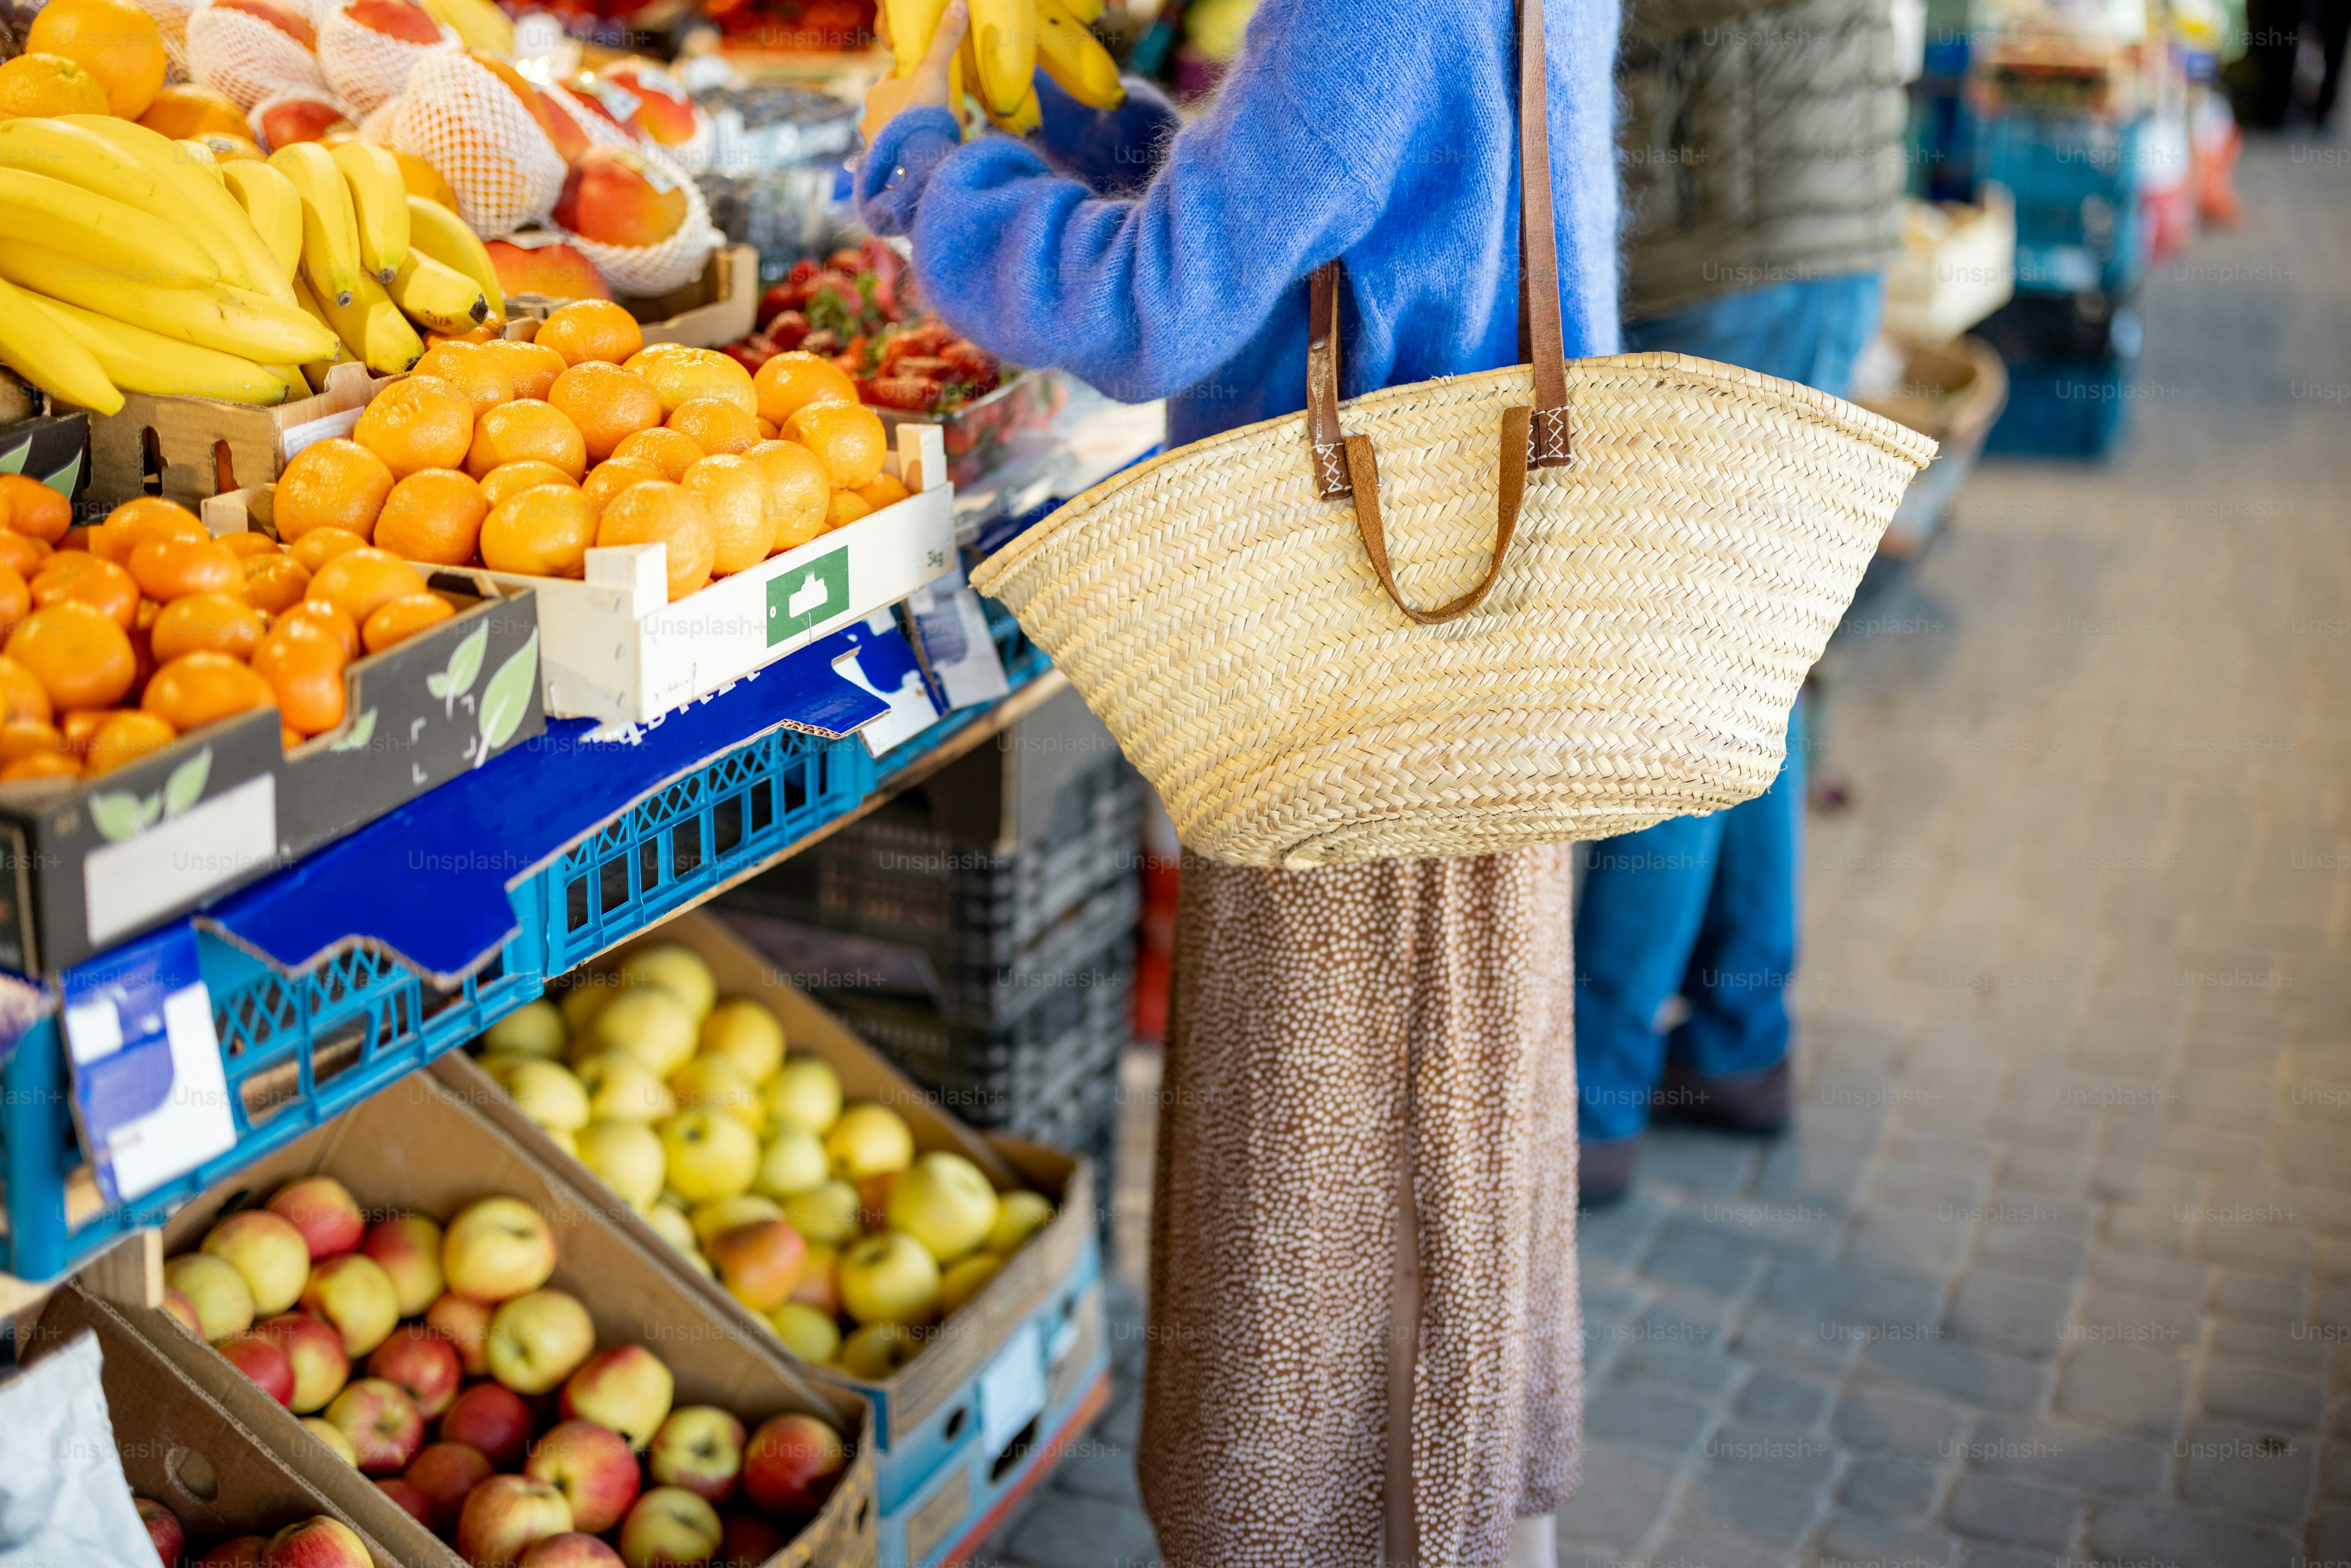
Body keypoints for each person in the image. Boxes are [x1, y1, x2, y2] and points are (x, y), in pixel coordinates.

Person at [858, 1, 1618, 1562]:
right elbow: (1350, 211)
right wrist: (1094, 132)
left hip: (1353, 684)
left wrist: (932, 174)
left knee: (1332, 1218)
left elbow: (1159, 306)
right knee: (1447, 1194)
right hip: (1471, 650)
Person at [1573, 0, 1905, 1205]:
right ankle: (1734, 1038)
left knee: (1675, 685)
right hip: (1799, 239)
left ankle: (1588, 1100)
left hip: (1733, 256)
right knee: (1748, 660)